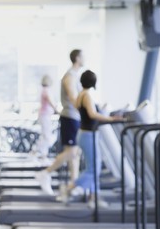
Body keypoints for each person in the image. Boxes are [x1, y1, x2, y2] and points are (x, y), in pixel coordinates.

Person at [35, 49, 84, 196]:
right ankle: (45, 173)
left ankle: (73, 184)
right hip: (70, 117)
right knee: (72, 152)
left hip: (74, 117)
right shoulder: (69, 76)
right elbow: (74, 99)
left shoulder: (74, 75)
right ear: (77, 58)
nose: (85, 58)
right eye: (83, 56)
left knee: (74, 154)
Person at [71, 70, 120, 208]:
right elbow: (92, 114)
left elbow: (79, 109)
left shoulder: (80, 95)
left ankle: (94, 198)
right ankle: (70, 187)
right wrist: (111, 118)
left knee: (92, 167)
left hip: (84, 133)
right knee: (94, 170)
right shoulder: (87, 95)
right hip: (88, 135)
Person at [35, 74, 58, 161]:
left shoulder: (44, 90)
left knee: (44, 136)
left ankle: (43, 154)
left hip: (45, 115)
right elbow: (50, 102)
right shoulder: (46, 91)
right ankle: (35, 151)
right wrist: (57, 110)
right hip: (45, 116)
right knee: (48, 136)